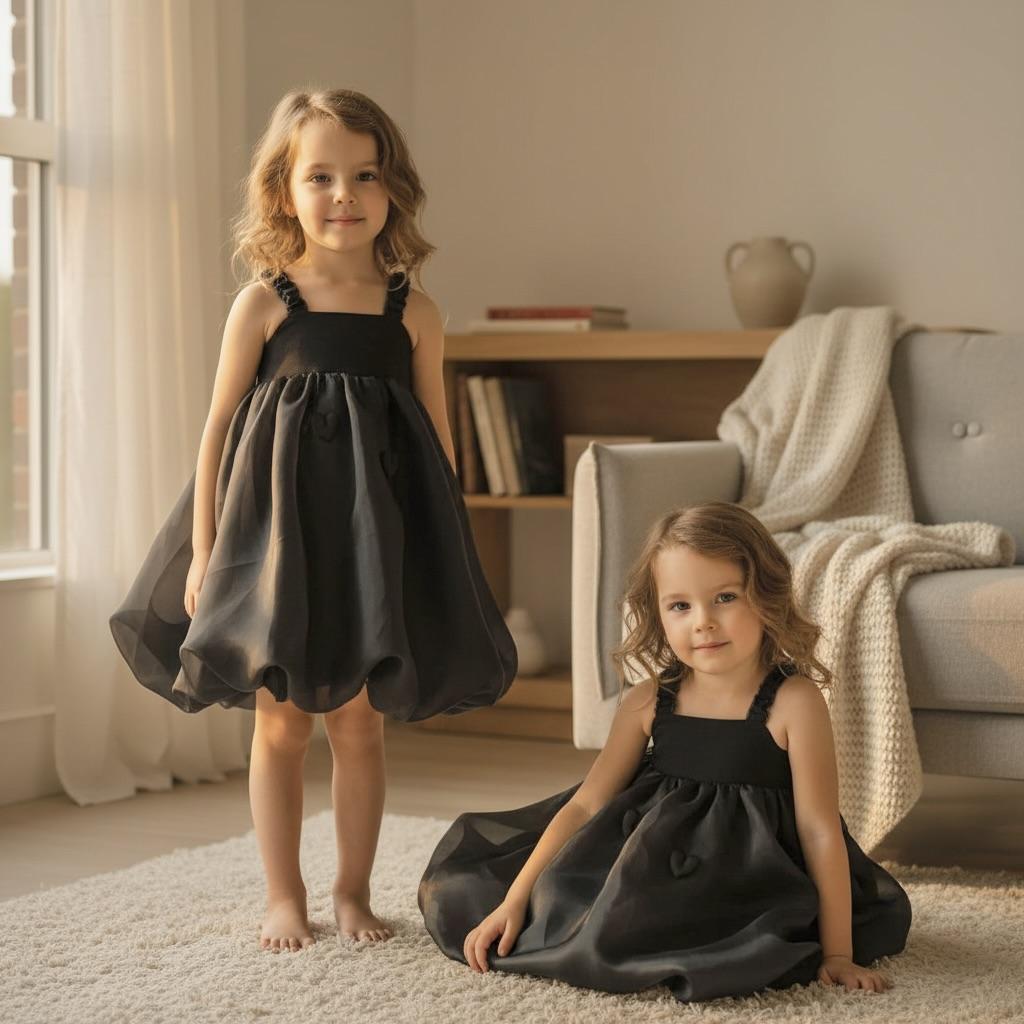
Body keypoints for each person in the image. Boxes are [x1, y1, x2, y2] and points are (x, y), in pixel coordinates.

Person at [110, 88, 517, 952]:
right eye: (321, 177)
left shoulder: (414, 312)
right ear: (283, 191)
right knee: (282, 724)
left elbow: (436, 441)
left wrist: (443, 550)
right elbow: (218, 431)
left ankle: (352, 892)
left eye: (365, 175)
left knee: (360, 724)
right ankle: (283, 895)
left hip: (376, 548)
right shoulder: (267, 303)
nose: (344, 195)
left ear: (393, 187)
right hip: (276, 547)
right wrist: (205, 551)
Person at [418, 501, 911, 1002]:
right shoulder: (648, 699)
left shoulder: (795, 701)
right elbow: (586, 805)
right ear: (657, 613)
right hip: (649, 861)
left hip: (748, 875)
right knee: (571, 910)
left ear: (766, 594)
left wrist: (838, 953)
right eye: (680, 606)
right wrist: (514, 900)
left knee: (736, 942)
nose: (703, 622)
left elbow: (819, 828)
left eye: (725, 597)